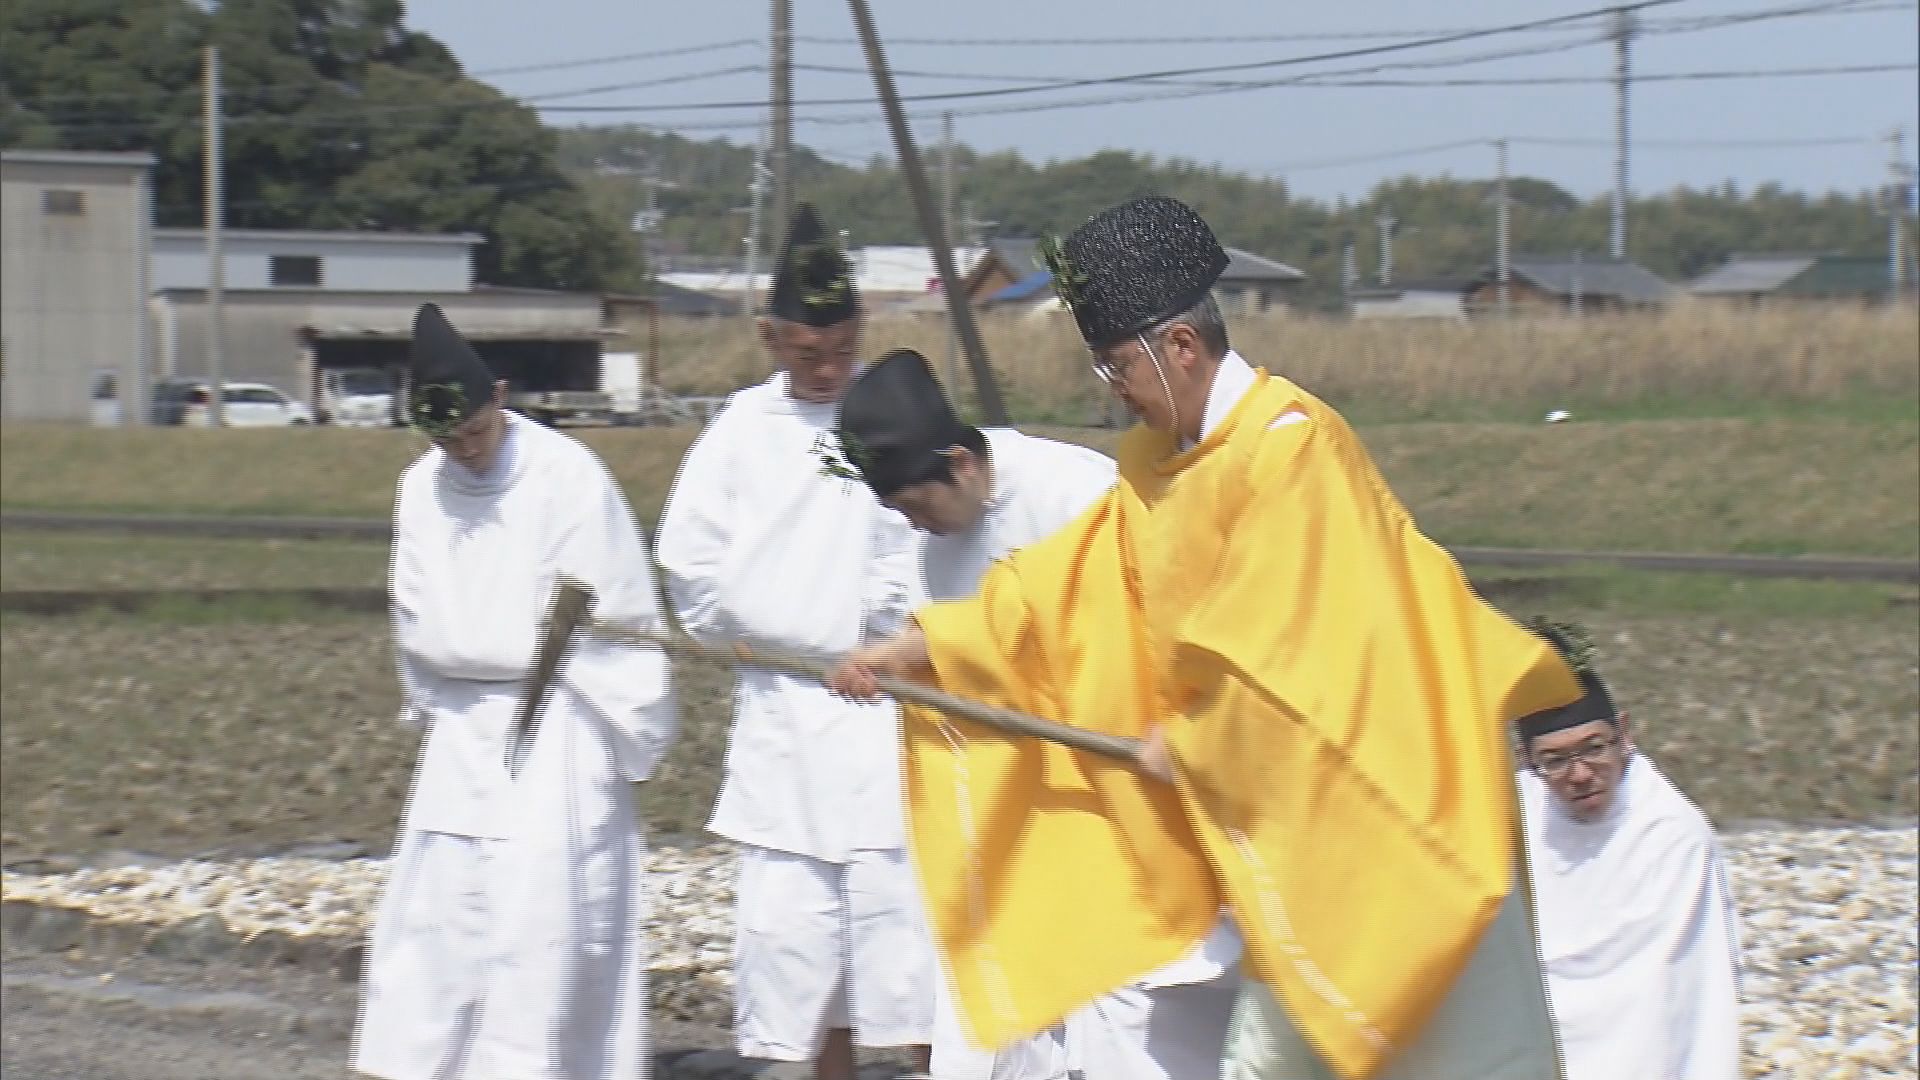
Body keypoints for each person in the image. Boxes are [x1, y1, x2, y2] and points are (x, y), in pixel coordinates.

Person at [827, 195, 1586, 1080]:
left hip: (1394, 805)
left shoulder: (1291, 449)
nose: (1113, 391)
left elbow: (1297, 648)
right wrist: (919, 648)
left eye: (1117, 368)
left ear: (1179, 346)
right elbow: (1068, 591)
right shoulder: (1169, 467)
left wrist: (1197, 739)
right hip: (1296, 819)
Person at [832, 348, 1245, 1080]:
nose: (919, 527)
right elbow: (971, 647)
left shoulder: (1078, 495)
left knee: (1134, 1019)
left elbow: (1131, 626)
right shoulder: (936, 544)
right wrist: (901, 667)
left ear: (960, 462)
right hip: (1022, 804)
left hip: (1119, 793)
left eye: (919, 507)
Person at [352, 304, 677, 1080]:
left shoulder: (564, 475)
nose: (465, 453)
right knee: (442, 921)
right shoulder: (420, 487)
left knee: (540, 928)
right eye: (445, 441)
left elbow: (612, 609)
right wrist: (437, 689)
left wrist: (620, 738)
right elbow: (414, 609)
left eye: (474, 431)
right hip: (463, 727)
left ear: (497, 397)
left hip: (558, 716)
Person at [654, 205, 934, 1080]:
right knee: (797, 948)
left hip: (887, 705)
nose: (826, 370)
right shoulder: (741, 430)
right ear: (771, 337)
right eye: (808, 354)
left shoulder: (886, 413)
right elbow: (689, 559)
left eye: (841, 351)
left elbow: (927, 535)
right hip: (782, 710)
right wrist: (736, 630)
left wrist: (893, 637)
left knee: (908, 947)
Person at [1516, 624, 1743, 1080]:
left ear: (1623, 734)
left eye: (1594, 749)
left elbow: (1663, 982)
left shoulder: (1672, 834)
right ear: (1528, 760)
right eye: (1556, 760)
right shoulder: (1516, 812)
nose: (1580, 774)